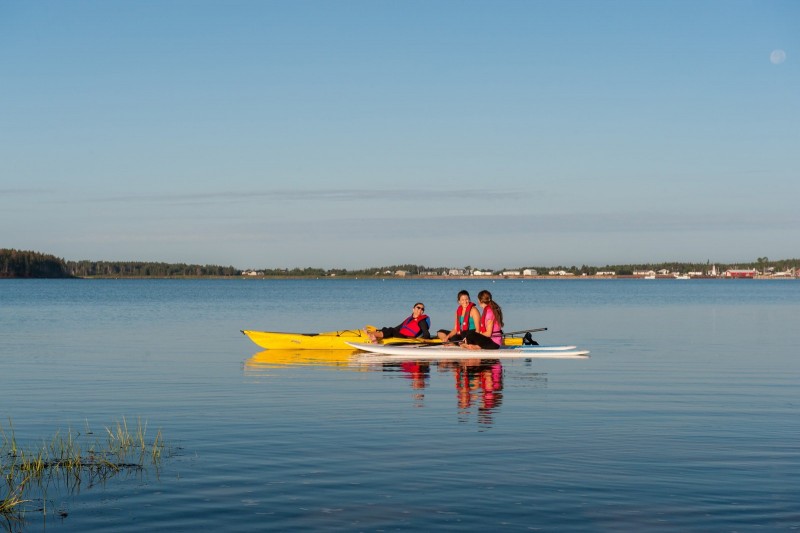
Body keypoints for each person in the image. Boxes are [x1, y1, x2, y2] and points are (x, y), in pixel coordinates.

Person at [367, 303, 432, 343]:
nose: (420, 310)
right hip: (402, 335)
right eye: (418, 308)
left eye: (422, 309)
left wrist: (422, 341)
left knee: (391, 331)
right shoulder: (409, 319)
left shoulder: (421, 321)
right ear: (413, 309)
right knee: (388, 329)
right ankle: (375, 334)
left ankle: (372, 335)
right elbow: (398, 328)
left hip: (408, 338)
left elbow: (427, 334)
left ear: (423, 312)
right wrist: (380, 330)